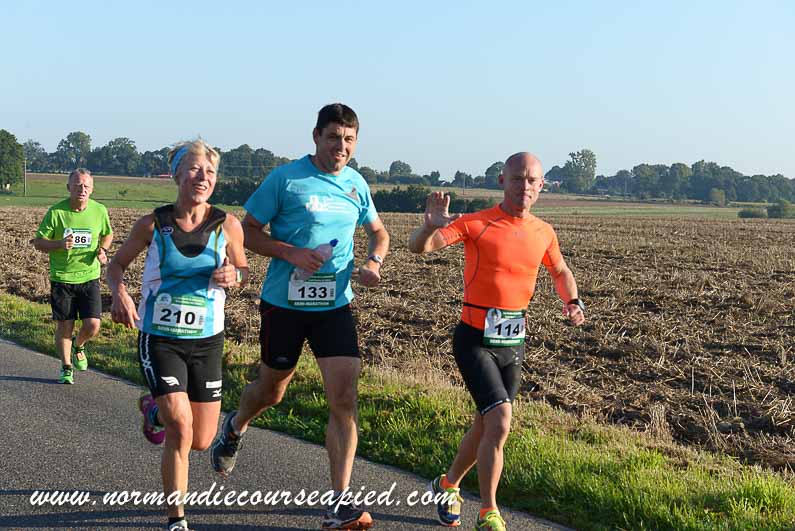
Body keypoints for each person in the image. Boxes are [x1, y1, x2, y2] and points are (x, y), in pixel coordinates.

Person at [210, 103, 389, 530]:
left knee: (344, 398)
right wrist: (290, 253)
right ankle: (235, 426)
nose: (341, 146)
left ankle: (339, 502)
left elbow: (379, 232)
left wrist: (374, 262)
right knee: (271, 391)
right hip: (284, 305)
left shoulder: (356, 184)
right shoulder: (286, 179)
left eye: (349, 139)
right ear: (316, 137)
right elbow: (247, 232)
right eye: (334, 137)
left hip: (334, 306)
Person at [408, 153, 586, 531]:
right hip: (474, 340)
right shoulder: (477, 223)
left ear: (541, 186)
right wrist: (428, 228)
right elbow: (420, 248)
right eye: (517, 179)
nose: (524, 187)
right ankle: (489, 511)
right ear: (503, 180)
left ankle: (447, 484)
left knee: (486, 425)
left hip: (512, 343)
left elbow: (560, 270)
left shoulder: (543, 231)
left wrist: (572, 301)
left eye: (532, 180)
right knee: (501, 420)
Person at [107, 140, 248, 531]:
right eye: (195, 169)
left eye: (210, 172)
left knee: (201, 439)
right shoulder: (153, 225)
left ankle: (153, 410)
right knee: (181, 429)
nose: (203, 177)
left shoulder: (227, 224)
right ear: (177, 175)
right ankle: (177, 520)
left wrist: (234, 275)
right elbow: (116, 266)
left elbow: (243, 269)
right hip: (161, 339)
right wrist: (120, 294)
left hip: (207, 341)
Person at [33, 168, 113, 384]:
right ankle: (66, 367)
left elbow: (107, 233)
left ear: (92, 189)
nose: (82, 189)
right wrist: (59, 244)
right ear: (69, 187)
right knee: (65, 326)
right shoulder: (56, 212)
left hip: (89, 277)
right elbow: (38, 242)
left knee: (93, 325)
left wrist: (103, 250)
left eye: (86, 185)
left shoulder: (99, 210)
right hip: (62, 278)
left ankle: (79, 345)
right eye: (78, 185)